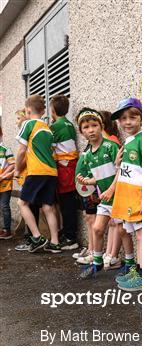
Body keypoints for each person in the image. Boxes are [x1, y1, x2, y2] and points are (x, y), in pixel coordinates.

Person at [110, 97, 142, 291]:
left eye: (132, 117)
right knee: (134, 234)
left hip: (137, 196)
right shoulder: (129, 141)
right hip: (126, 196)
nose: (127, 122)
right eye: (123, 118)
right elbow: (127, 169)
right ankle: (138, 270)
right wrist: (117, 163)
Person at [74, 108, 120, 279]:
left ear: (101, 126)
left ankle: (129, 265)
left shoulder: (111, 146)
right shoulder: (87, 155)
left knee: (123, 232)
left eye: (94, 125)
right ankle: (97, 264)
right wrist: (88, 182)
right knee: (98, 229)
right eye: (86, 127)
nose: (91, 130)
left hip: (118, 197)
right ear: (81, 132)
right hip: (105, 200)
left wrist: (112, 189)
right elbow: (99, 176)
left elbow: (122, 170)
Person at [15, 94, 60, 253]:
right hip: (51, 172)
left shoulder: (28, 124)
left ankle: (36, 236)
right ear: (42, 111)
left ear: (28, 110)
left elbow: (21, 151)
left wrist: (17, 169)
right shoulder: (47, 128)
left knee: (22, 203)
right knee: (48, 207)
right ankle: (55, 242)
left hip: (37, 171)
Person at [49, 94, 79, 250]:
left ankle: (70, 238)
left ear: (52, 110)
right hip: (71, 166)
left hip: (63, 168)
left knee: (66, 205)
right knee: (69, 203)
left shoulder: (55, 126)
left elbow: (50, 148)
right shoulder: (69, 124)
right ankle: (67, 234)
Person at [13, 109, 41, 251]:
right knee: (30, 207)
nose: (16, 122)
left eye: (18, 119)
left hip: (28, 176)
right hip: (29, 176)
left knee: (28, 206)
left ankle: (32, 239)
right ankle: (31, 238)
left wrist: (17, 170)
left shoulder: (27, 133)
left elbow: (23, 157)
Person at [100, 110, 122, 269]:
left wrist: (111, 188)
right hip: (106, 188)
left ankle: (113, 255)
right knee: (111, 223)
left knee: (115, 222)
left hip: (115, 188)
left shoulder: (112, 143)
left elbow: (117, 169)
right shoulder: (103, 144)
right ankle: (108, 253)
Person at [0, 125, 15, 239]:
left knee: (4, 206)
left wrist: (3, 175)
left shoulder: (5, 149)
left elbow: (12, 164)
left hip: (5, 184)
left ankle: (7, 230)